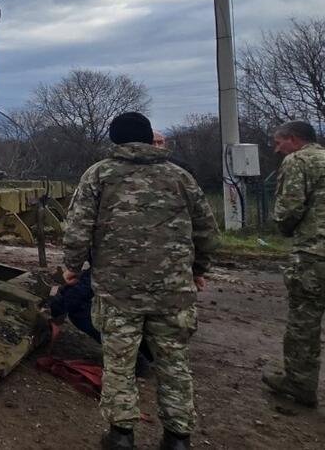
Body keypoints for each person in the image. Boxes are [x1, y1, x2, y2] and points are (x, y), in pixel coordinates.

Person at [63, 111, 217, 450]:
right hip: (173, 292)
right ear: (150, 138)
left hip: (118, 292)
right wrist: (198, 269)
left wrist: (72, 268)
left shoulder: (100, 175)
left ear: (114, 140)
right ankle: (178, 438)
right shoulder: (180, 177)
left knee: (119, 362)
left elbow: (77, 228)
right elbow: (206, 230)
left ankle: (121, 436)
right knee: (174, 361)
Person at [262, 121, 325, 437]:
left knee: (304, 324)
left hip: (316, 255)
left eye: (278, 143)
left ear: (293, 140)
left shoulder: (299, 161)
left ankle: (300, 384)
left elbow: (289, 208)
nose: (277, 149)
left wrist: (285, 228)